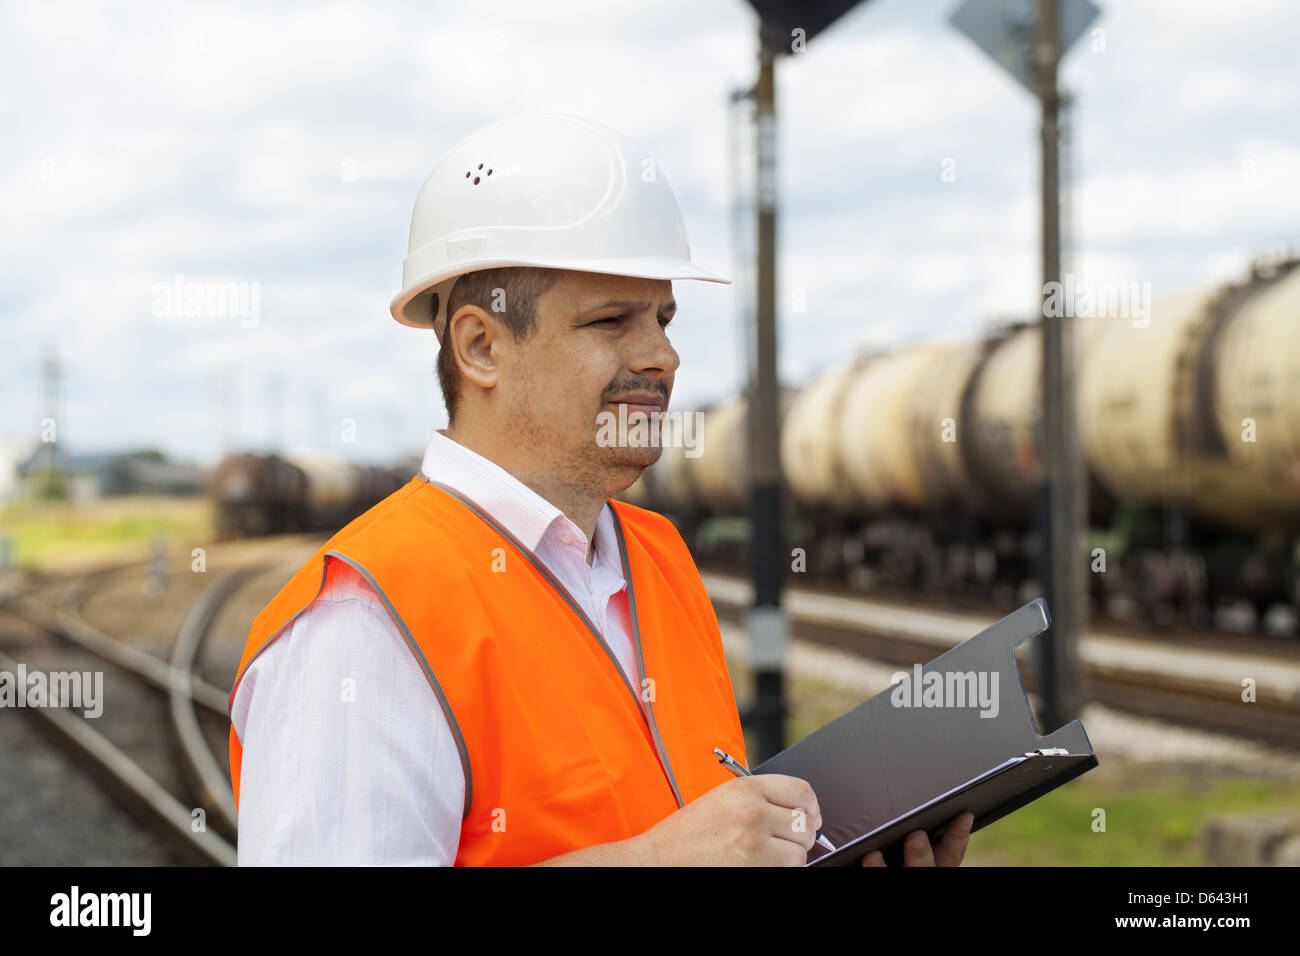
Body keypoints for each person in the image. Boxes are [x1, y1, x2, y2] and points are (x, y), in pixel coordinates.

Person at [227, 113, 973, 866]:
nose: (662, 356)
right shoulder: (365, 622)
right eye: (612, 320)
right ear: (481, 347)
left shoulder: (659, 560)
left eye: (664, 317)